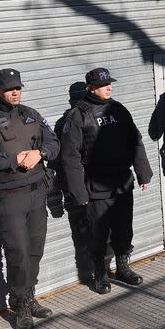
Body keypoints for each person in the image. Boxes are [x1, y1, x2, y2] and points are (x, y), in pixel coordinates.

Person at [0, 68, 59, 329]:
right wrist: (15, 159)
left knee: (35, 251)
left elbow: (54, 144)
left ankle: (29, 296)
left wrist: (40, 153)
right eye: (9, 89)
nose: (15, 92)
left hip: (36, 192)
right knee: (17, 253)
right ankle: (19, 305)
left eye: (18, 87)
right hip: (8, 198)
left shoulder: (32, 115)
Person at [59, 68, 153, 294]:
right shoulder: (78, 116)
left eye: (110, 83)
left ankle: (122, 268)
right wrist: (77, 191)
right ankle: (100, 273)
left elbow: (135, 141)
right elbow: (70, 157)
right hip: (96, 187)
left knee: (124, 229)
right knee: (98, 234)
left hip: (121, 182)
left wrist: (143, 172)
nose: (109, 87)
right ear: (91, 88)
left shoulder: (118, 109)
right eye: (104, 85)